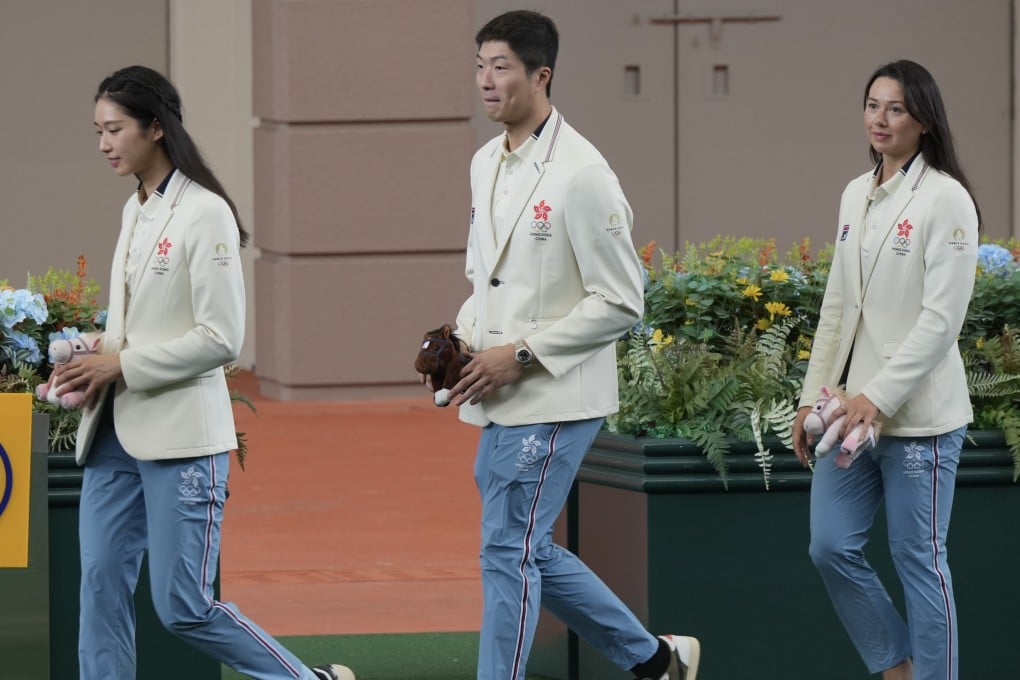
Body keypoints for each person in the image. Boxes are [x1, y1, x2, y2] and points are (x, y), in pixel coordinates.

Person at [54, 65, 354, 680]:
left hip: (181, 439)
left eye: (115, 129)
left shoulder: (205, 213)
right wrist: (97, 344)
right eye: (98, 131)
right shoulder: (133, 209)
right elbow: (147, 322)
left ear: (156, 128)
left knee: (183, 606)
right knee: (100, 584)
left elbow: (222, 340)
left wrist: (119, 363)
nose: (105, 144)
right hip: (113, 432)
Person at [428, 11, 700, 680]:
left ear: (540, 75)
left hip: (554, 391)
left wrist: (517, 353)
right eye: (480, 66)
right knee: (523, 546)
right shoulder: (485, 161)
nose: (486, 81)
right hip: (498, 390)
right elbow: (487, 278)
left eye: (501, 68)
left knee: (505, 550)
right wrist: (460, 336)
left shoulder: (583, 175)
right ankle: (657, 660)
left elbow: (621, 301)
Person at [792, 60, 980, 680]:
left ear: (923, 119)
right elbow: (838, 306)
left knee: (919, 561)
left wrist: (876, 395)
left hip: (919, 418)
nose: (880, 118)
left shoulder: (946, 199)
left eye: (895, 108)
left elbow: (941, 321)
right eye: (872, 105)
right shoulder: (855, 192)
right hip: (850, 418)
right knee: (829, 546)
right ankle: (896, 664)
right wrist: (809, 399)